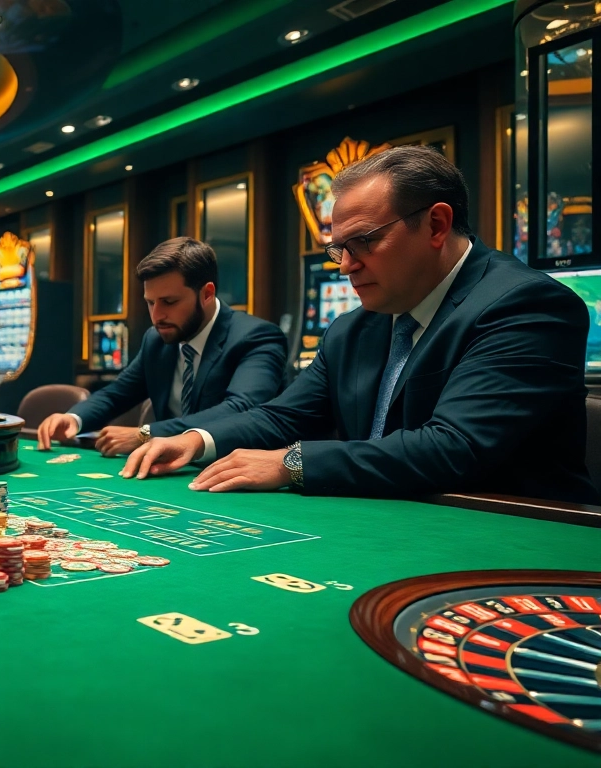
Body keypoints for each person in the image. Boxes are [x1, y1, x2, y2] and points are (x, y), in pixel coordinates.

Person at [122, 145, 598, 504]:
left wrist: (292, 463)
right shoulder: (354, 328)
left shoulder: (525, 305)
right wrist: (193, 440)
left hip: (511, 538)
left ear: (435, 225)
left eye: (363, 242)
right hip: (386, 521)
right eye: (338, 248)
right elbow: (283, 415)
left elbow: (454, 447)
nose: (346, 264)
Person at [36, 237, 286, 457]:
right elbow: (116, 395)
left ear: (207, 293)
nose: (157, 315)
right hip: (173, 471)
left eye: (169, 301)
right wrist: (73, 418)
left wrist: (146, 433)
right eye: (150, 302)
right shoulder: (156, 340)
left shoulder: (256, 337)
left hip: (238, 474)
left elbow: (242, 409)